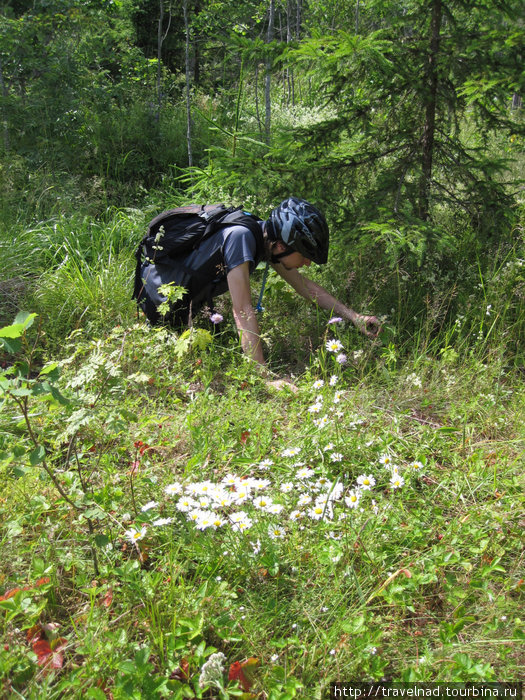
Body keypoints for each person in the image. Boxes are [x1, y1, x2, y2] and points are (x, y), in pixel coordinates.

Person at [139, 197, 381, 382]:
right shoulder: (242, 237)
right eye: (305, 255)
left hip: (189, 297)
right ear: (282, 245)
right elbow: (242, 309)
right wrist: (263, 376)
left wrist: (354, 317)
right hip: (161, 300)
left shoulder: (265, 239)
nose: (307, 263)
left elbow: (305, 287)